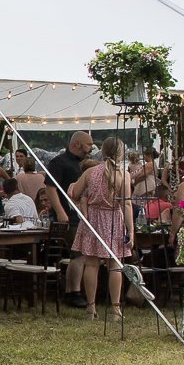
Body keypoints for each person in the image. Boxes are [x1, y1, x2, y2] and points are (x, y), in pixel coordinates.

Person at [72, 137, 133, 321]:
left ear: (103, 152)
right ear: (121, 152)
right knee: (115, 265)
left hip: (93, 218)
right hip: (113, 217)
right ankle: (115, 309)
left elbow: (74, 193)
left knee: (91, 263)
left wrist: (85, 200)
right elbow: (127, 204)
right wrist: (130, 230)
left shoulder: (90, 172)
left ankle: (91, 307)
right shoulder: (124, 174)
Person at [46, 131, 93, 307]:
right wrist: (60, 211)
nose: (91, 148)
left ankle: (78, 290)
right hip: (68, 215)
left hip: (81, 215)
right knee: (78, 254)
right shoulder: (59, 162)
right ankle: (72, 292)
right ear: (77, 144)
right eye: (88, 144)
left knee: (82, 255)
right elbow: (50, 188)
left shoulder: (83, 164)